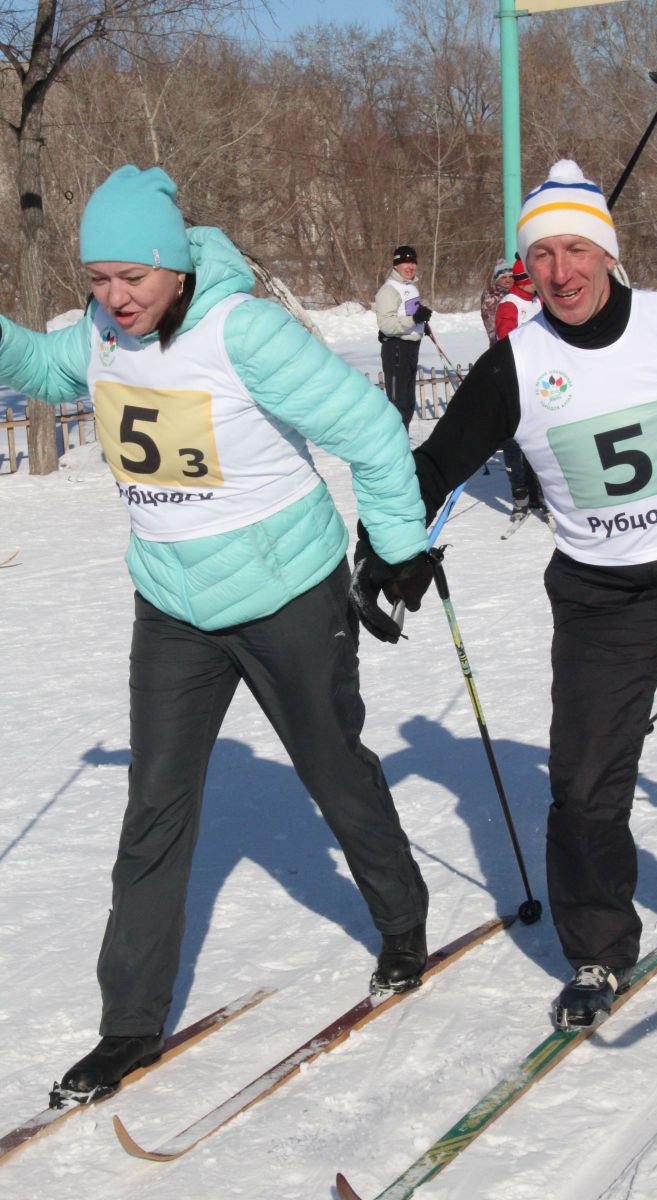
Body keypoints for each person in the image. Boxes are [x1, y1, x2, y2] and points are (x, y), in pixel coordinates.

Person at [0, 166, 434, 1099]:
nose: (117, 298)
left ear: (177, 267)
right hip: (172, 607)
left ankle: (402, 922)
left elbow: (369, 427)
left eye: (134, 278)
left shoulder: (244, 331)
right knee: (154, 808)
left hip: (287, 595)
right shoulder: (103, 333)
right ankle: (129, 1023)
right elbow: (40, 367)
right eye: (100, 279)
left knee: (333, 770)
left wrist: (399, 548)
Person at [352, 158, 657, 1031]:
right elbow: (436, 466)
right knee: (586, 779)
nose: (561, 272)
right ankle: (598, 950)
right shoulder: (516, 365)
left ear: (608, 252)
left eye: (576, 250)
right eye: (543, 255)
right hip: (603, 596)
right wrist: (387, 546)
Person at [494, 257, 547, 521]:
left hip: (541, 379)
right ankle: (520, 495)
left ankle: (541, 493)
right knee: (515, 441)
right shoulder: (510, 304)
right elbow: (506, 341)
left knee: (540, 439)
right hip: (517, 380)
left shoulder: (539, 300)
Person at [374, 245, 432, 429]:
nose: (410, 266)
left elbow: (405, 314)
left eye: (413, 262)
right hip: (397, 349)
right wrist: (414, 319)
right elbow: (386, 325)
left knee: (408, 404)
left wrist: (421, 324)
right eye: (406, 262)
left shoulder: (410, 287)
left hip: (410, 349)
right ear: (396, 265)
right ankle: (394, 443)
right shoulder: (389, 290)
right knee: (397, 405)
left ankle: (403, 441)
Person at [480, 258, 513, 345]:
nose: (508, 280)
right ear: (496, 279)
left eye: (511, 277)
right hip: (501, 343)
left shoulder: (512, 293)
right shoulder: (491, 296)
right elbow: (493, 327)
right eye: (503, 277)